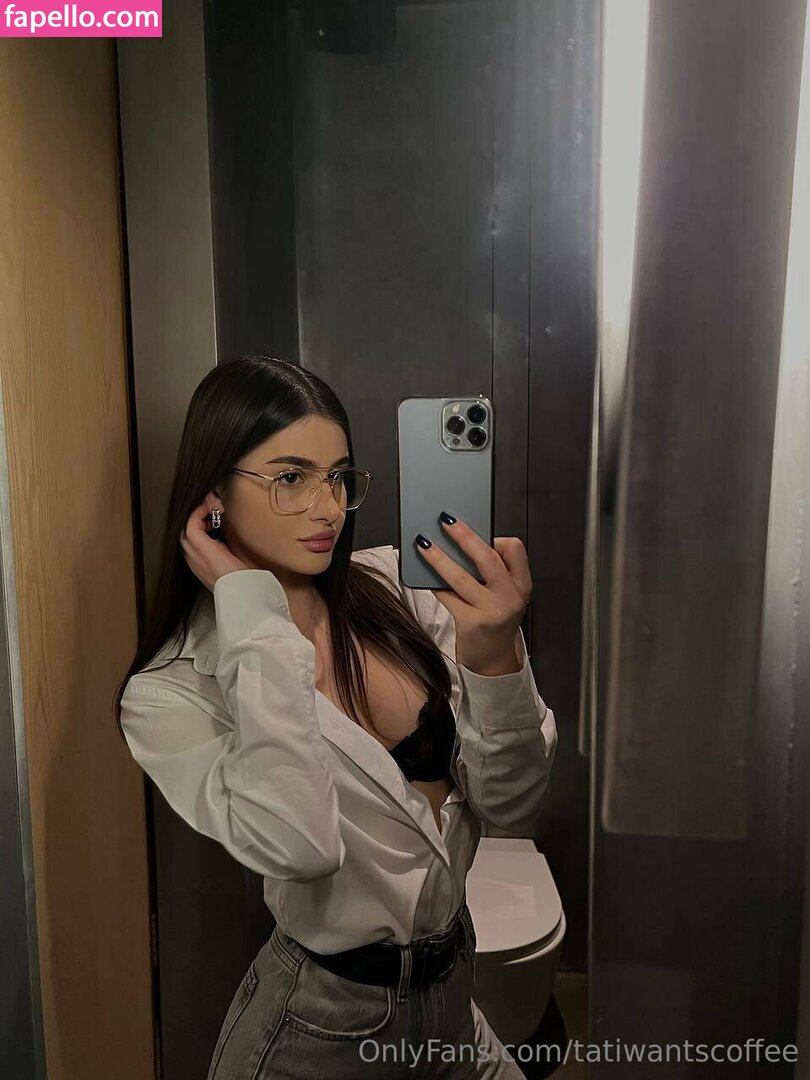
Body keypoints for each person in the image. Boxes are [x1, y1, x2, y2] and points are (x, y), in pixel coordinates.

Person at [114, 356, 557, 1079]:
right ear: (213, 497)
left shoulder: (396, 589)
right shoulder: (171, 691)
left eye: (339, 476)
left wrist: (494, 654)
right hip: (317, 1034)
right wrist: (253, 618)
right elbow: (301, 846)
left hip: (451, 999)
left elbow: (513, 805)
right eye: (291, 478)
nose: (328, 508)